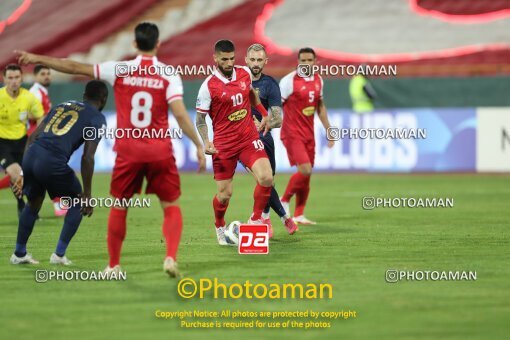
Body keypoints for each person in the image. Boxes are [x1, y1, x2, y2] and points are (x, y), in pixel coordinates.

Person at [16, 22, 206, 278]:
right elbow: (181, 114)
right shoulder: (169, 73)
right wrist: (198, 144)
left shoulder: (120, 68)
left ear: (135, 44)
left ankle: (113, 265)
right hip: (159, 149)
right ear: (158, 44)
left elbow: (73, 66)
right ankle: (170, 257)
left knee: (119, 206)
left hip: (128, 151)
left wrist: (37, 58)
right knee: (170, 205)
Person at [10, 80, 107, 265]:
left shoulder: (63, 105)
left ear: (84, 95)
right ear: (103, 99)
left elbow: (32, 136)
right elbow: (88, 157)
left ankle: (19, 253)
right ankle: (59, 255)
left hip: (31, 154)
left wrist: (23, 173)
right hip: (51, 160)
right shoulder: (96, 118)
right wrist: (87, 194)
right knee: (78, 200)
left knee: (34, 201)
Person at [195, 39, 274, 245]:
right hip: (224, 145)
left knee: (266, 177)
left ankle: (256, 220)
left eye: (231, 58)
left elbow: (251, 95)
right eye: (224, 59)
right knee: (224, 194)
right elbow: (200, 119)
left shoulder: (244, 74)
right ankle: (219, 225)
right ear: (215, 58)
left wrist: (264, 114)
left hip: (248, 138)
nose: (229, 63)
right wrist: (206, 141)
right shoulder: (208, 86)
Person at [244, 43, 297, 237]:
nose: (256, 63)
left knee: (269, 182)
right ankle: (278, 218)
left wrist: (265, 122)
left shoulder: (270, 85)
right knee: (262, 179)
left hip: (265, 139)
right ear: (246, 60)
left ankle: (265, 216)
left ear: (265, 61)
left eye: (260, 60)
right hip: (245, 142)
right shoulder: (237, 82)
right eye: (253, 59)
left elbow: (277, 118)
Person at [279, 47, 334, 225]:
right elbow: (275, 105)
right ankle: (284, 200)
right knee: (305, 169)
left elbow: (320, 108)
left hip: (309, 134)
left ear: (315, 61)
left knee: (307, 175)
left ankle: (299, 214)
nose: (306, 64)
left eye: (309, 60)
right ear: (298, 61)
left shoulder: (319, 80)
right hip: (291, 133)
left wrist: (329, 130)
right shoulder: (288, 81)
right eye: (302, 60)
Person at [0, 64, 44, 216]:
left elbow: (40, 117)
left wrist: (37, 136)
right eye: (10, 78)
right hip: (2, 142)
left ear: (21, 78)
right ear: (4, 79)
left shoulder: (28, 97)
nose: (14, 81)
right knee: (16, 174)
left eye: (17, 77)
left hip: (22, 142)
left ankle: (21, 203)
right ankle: (27, 207)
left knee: (27, 176)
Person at [26, 64, 67, 217]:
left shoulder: (42, 92)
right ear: (36, 76)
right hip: (35, 138)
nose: (47, 76)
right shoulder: (35, 92)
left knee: (24, 175)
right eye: (43, 74)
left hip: (38, 138)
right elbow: (30, 114)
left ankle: (59, 204)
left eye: (48, 73)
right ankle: (59, 204)